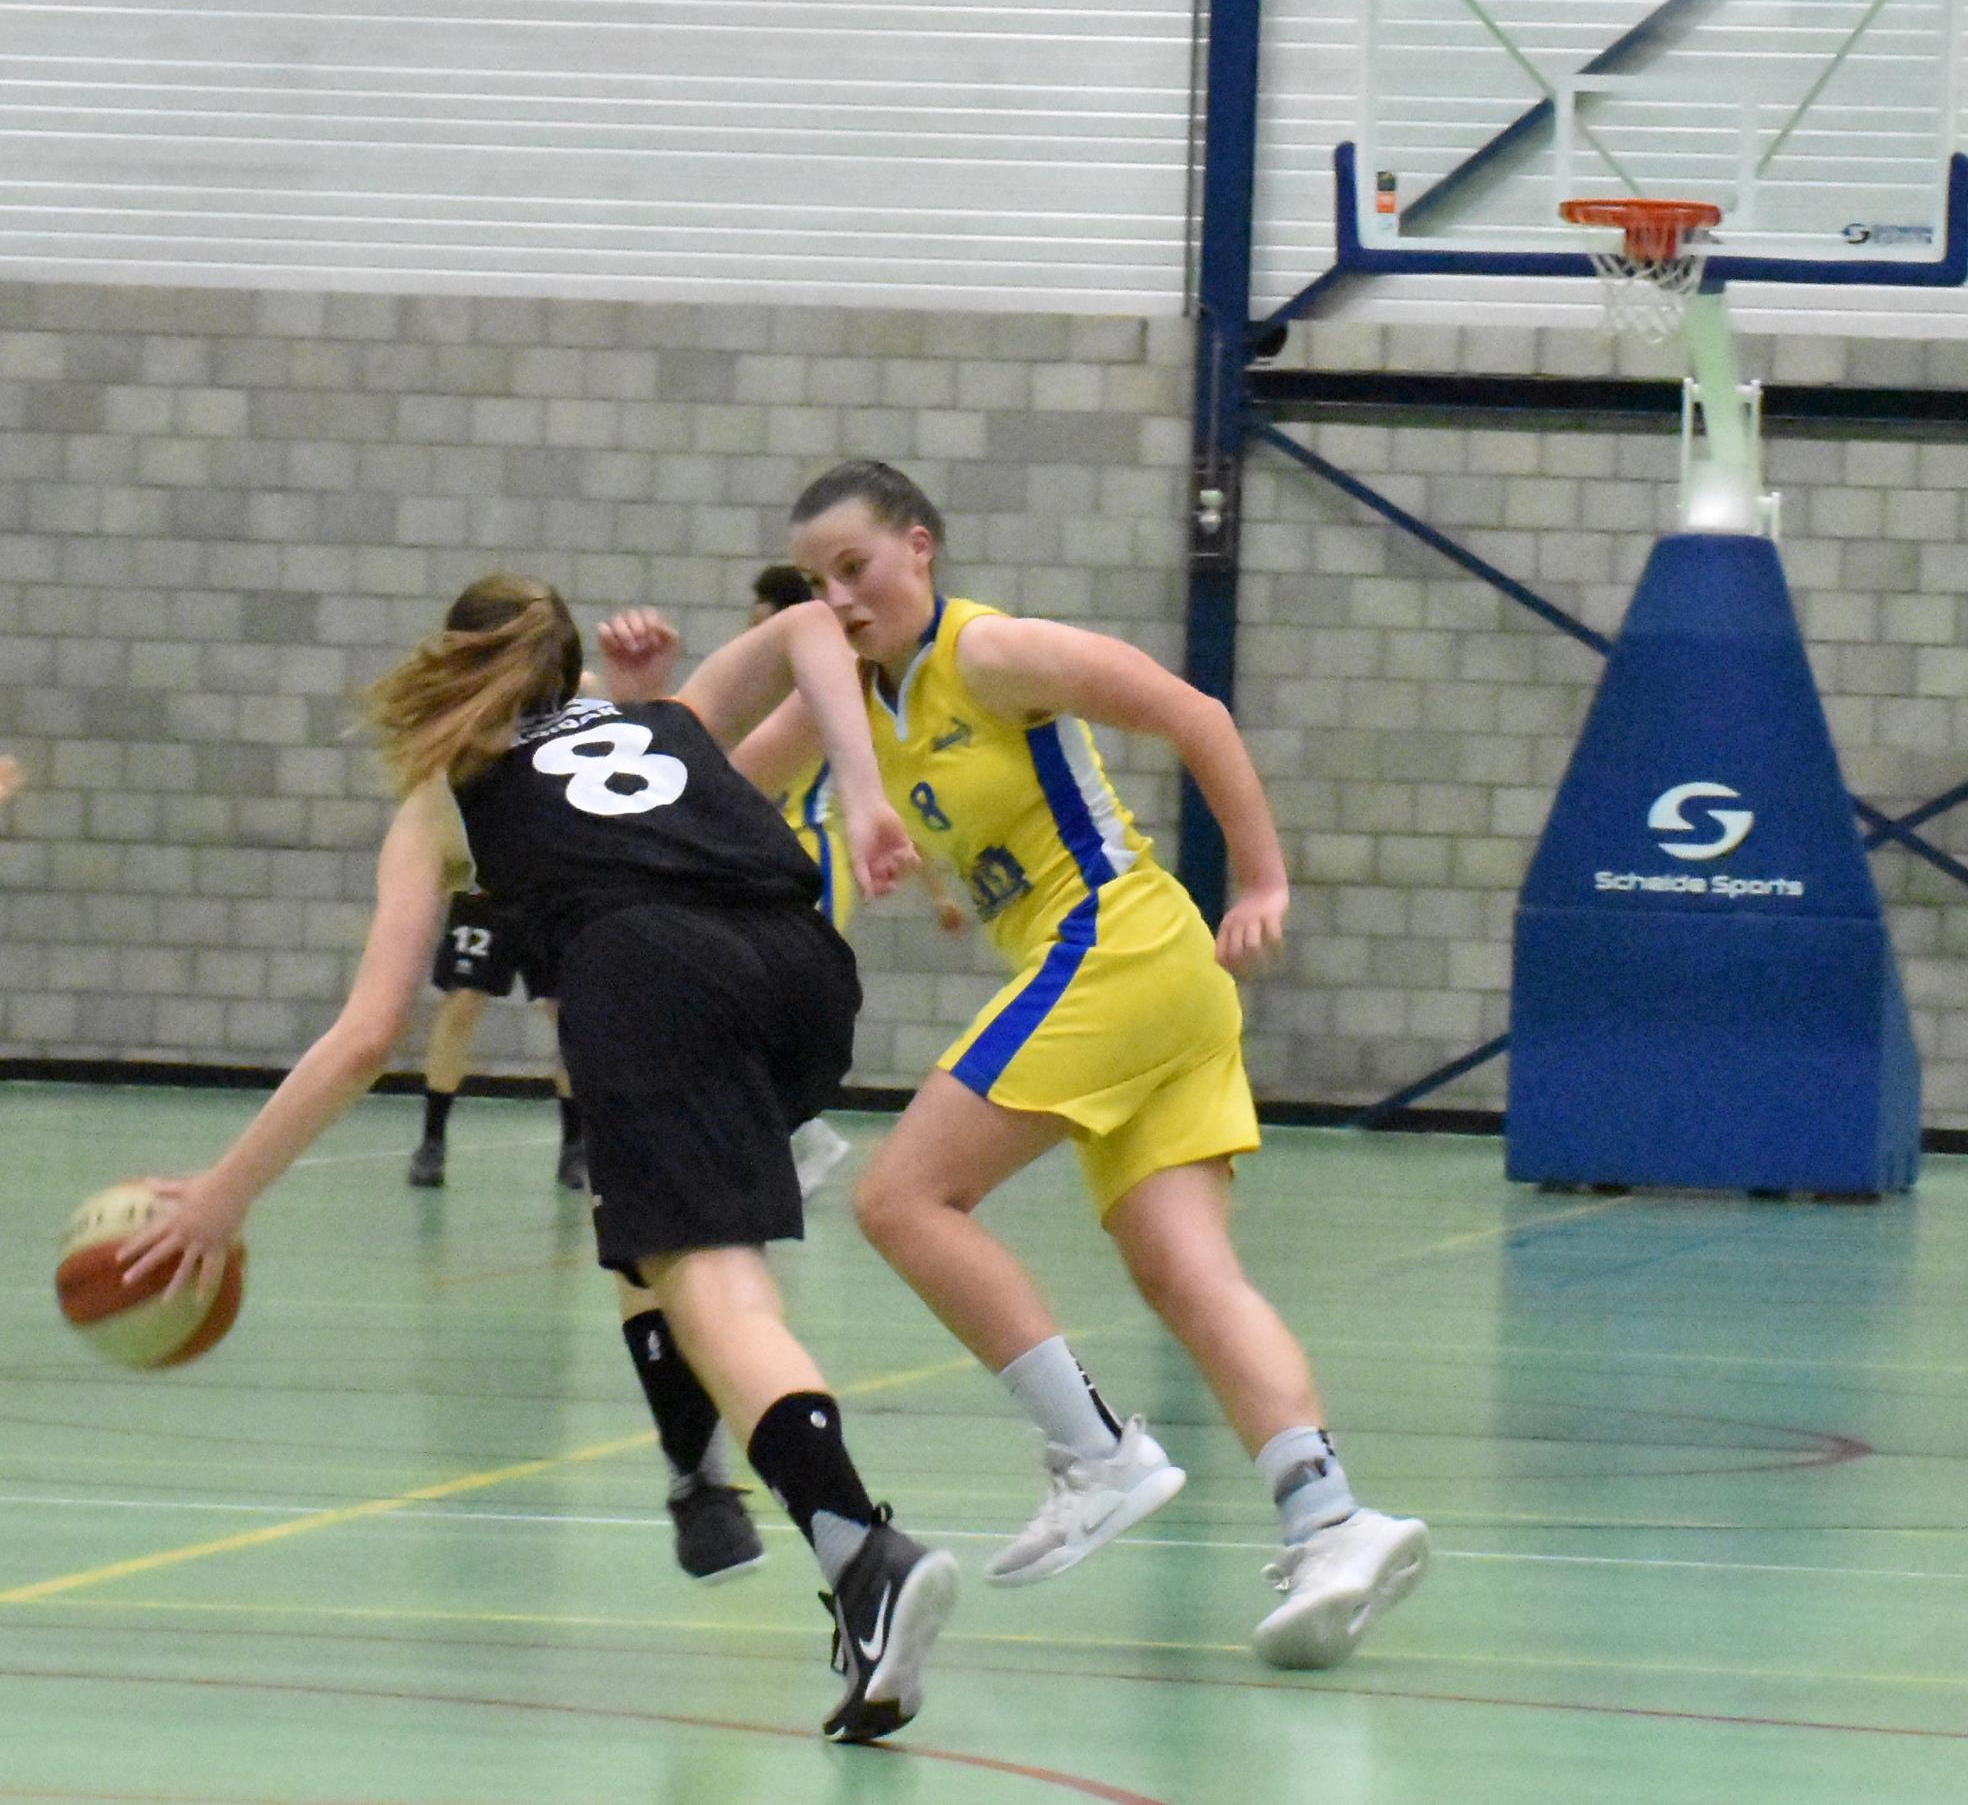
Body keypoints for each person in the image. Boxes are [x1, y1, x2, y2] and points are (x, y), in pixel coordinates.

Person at [118, 572, 959, 1743]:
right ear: (569, 668)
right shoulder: (665, 717)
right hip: (805, 977)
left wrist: (223, 1196)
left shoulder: (444, 795)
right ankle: (700, 1486)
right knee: (644, 1217)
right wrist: (862, 794)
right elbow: (814, 623)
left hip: (654, 978)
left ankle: (862, 1551)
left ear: (449, 661)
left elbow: (366, 1036)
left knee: (716, 1288)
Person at [740, 460, 1429, 1672]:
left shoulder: (989, 651)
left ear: (918, 548)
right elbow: (710, 780)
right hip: (1150, 984)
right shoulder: (844, 697)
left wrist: (1262, 877)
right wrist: (639, 693)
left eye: (854, 568)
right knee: (1184, 1269)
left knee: (900, 1197)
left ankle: (1096, 1450)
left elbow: (1192, 712)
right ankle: (1329, 1517)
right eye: (814, 583)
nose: (837, 600)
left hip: (1114, 942)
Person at [748, 562, 968, 1196]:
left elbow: (893, 805)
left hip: (815, 859)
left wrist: (938, 892)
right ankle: (790, 1133)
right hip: (766, 859)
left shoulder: (833, 693)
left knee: (774, 1004)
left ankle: (805, 1132)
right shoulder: (768, 696)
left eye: (765, 625)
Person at [406, 890, 586, 1189]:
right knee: (462, 1003)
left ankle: (575, 1145)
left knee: (568, 1012)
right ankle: (432, 1141)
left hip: (555, 890)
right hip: (487, 892)